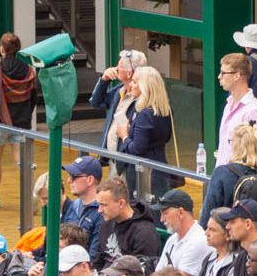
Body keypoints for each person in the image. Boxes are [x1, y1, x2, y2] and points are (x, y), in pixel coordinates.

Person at [0, 32, 42, 209]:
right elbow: (33, 96)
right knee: (22, 160)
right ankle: (30, 196)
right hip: (21, 121)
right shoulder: (28, 69)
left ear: (2, 48)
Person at [115, 65, 176, 198]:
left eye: (135, 81)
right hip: (160, 167)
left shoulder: (145, 114)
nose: (131, 84)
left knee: (143, 210)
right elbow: (166, 138)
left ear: (145, 87)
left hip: (143, 174)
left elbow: (137, 149)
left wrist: (125, 136)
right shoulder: (165, 111)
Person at [202, 122, 257, 226]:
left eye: (231, 141)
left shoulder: (222, 172)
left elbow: (208, 212)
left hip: (226, 234)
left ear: (237, 146)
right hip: (253, 235)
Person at [91, 177, 162, 272]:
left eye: (104, 205)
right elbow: (98, 261)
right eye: (99, 205)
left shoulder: (145, 233)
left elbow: (141, 274)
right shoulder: (106, 225)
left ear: (121, 203)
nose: (99, 210)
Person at [215, 52, 257, 167]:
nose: (219, 76)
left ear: (237, 76)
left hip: (239, 181)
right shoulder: (229, 105)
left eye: (223, 73)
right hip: (222, 177)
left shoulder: (253, 111)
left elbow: (256, 157)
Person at [92, 49, 148, 150]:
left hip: (128, 162)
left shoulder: (144, 100)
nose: (116, 69)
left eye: (120, 66)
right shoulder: (119, 90)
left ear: (129, 73)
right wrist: (104, 80)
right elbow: (96, 102)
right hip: (111, 160)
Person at [154, 188, 212, 276]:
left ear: (180, 212)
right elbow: (157, 275)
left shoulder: (198, 241)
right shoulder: (172, 239)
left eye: (165, 213)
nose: (161, 219)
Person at [63, 157, 107, 251]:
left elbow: (93, 257)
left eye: (74, 176)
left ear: (90, 180)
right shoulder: (73, 205)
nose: (69, 180)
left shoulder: (102, 213)